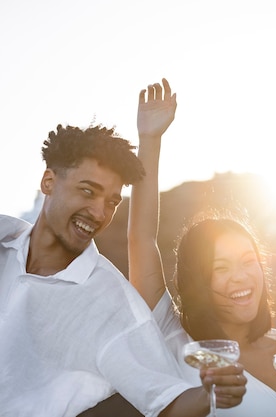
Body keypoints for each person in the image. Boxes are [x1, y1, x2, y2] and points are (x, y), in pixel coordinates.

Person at [0, 112, 246, 416]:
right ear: (48, 182)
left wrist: (210, 394)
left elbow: (165, 400)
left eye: (112, 202)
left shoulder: (111, 302)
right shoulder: (5, 240)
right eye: (88, 192)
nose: (99, 213)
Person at [128, 78, 276, 416]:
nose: (241, 277)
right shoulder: (178, 343)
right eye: (220, 268)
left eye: (248, 261)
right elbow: (141, 240)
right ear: (199, 280)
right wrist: (149, 140)